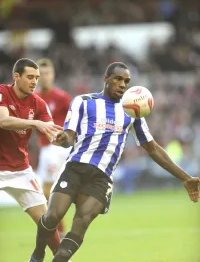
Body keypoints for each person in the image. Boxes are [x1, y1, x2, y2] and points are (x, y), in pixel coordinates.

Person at [29, 62, 200, 262]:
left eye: (126, 81)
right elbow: (69, 136)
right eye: (118, 79)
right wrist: (62, 139)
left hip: (101, 178)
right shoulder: (83, 102)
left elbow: (152, 148)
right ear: (106, 79)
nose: (122, 84)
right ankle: (37, 254)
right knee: (52, 217)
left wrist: (185, 178)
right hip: (75, 168)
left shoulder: (132, 112)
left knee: (81, 223)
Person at [0, 58, 64, 259]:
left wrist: (64, 137)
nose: (35, 81)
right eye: (30, 77)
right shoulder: (2, 92)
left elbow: (52, 133)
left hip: (21, 170)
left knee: (47, 223)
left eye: (36, 78)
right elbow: (3, 120)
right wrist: (36, 123)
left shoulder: (38, 103)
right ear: (16, 77)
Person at [35, 58, 72, 237]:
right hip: (45, 149)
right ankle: (59, 229)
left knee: (49, 190)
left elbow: (75, 120)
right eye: (41, 75)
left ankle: (59, 230)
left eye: (47, 73)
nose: (44, 77)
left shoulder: (62, 97)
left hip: (57, 149)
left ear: (53, 74)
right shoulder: (34, 98)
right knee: (47, 191)